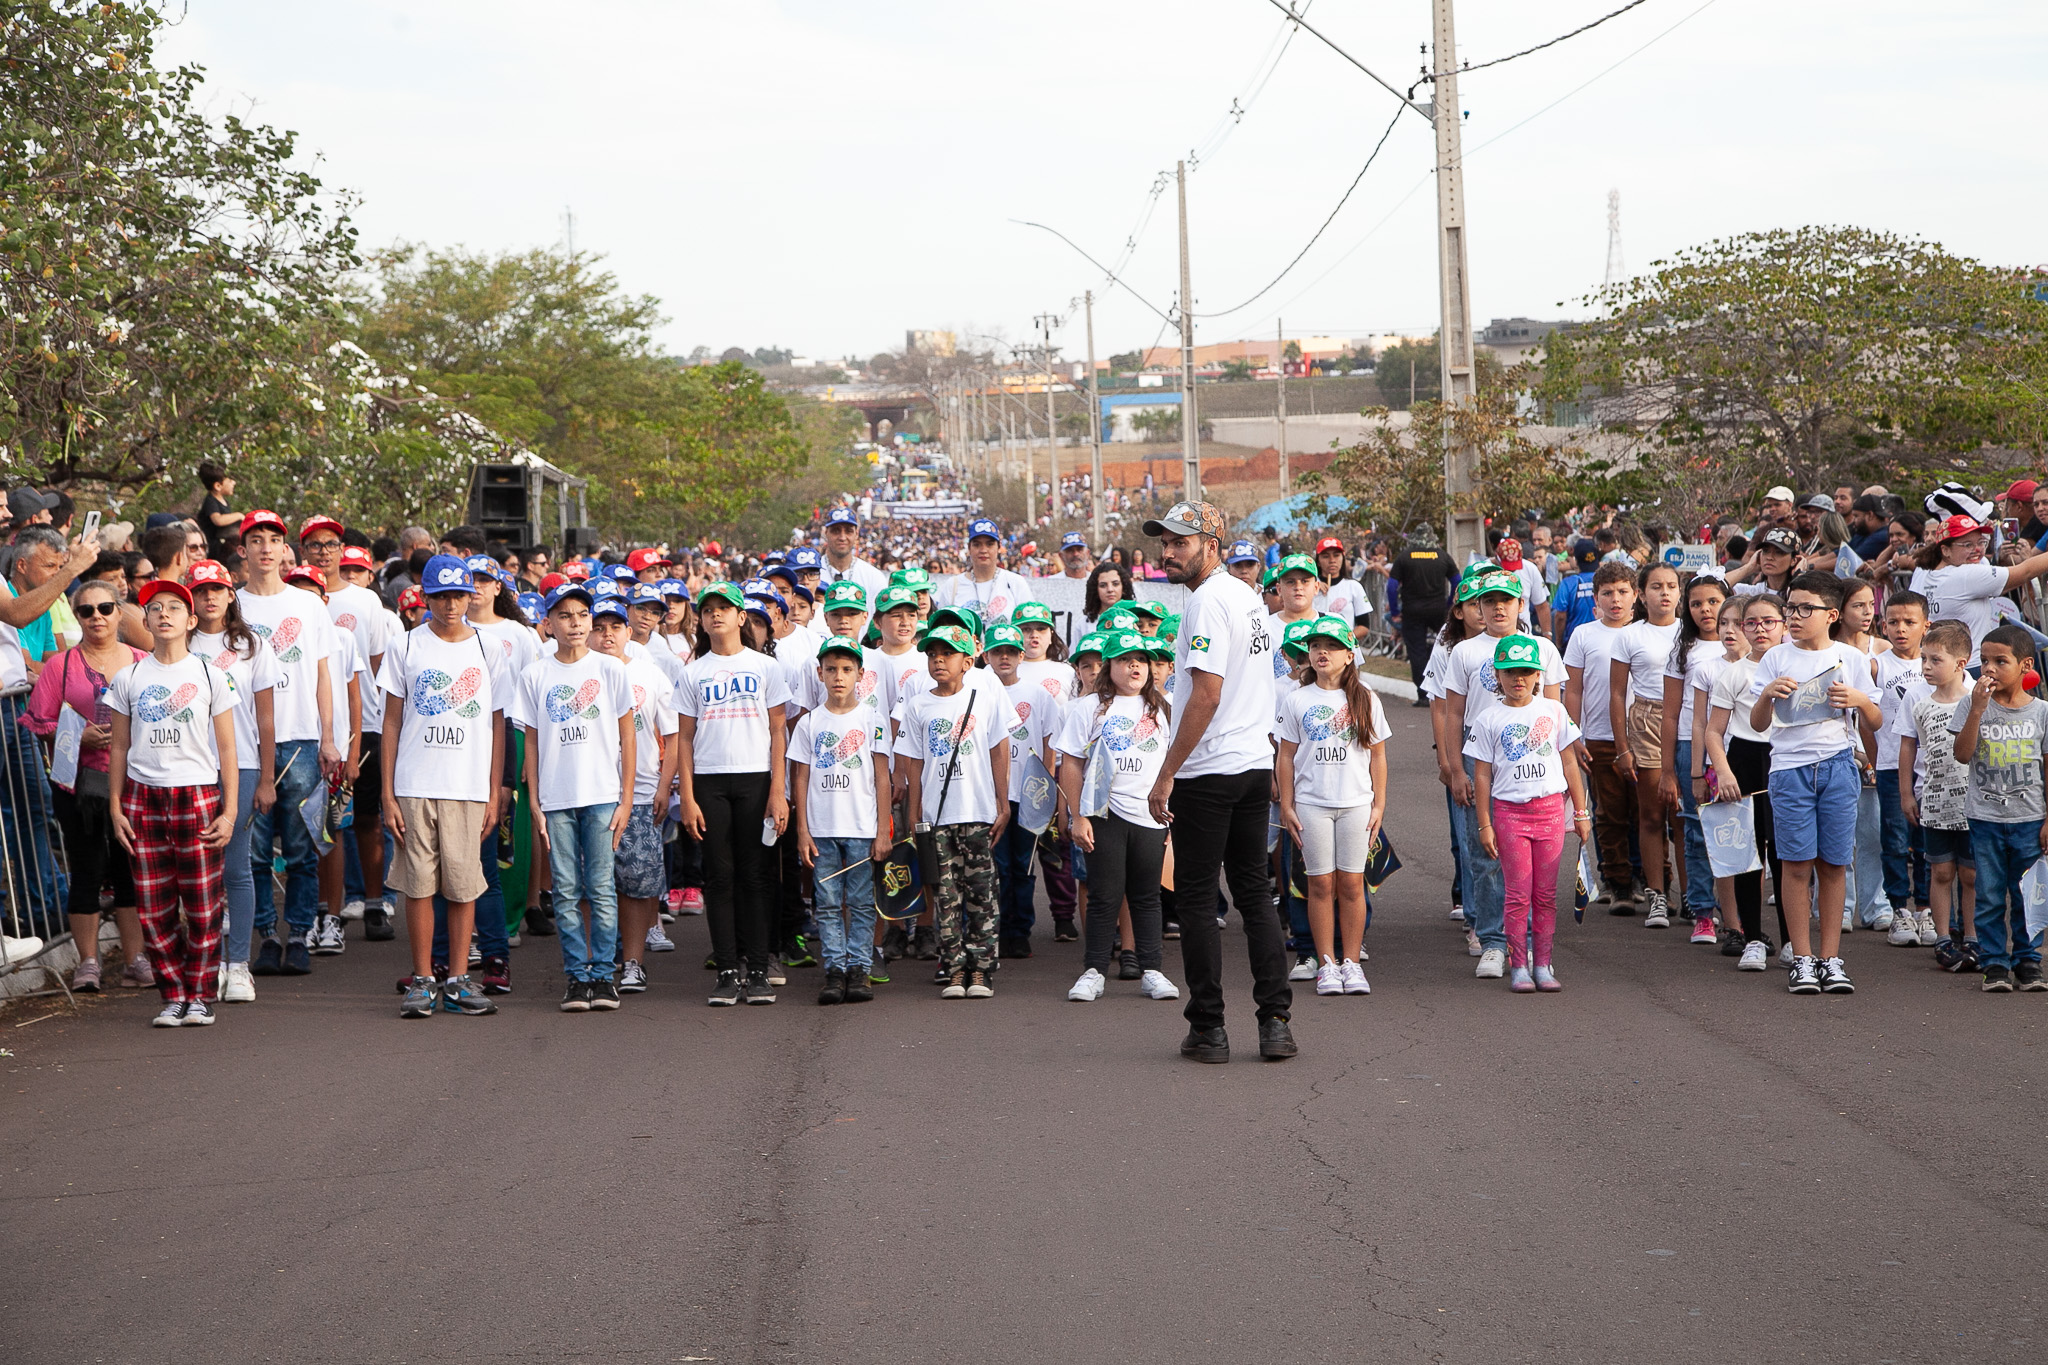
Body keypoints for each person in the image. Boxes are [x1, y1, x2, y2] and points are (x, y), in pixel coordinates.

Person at [1143, 499, 1294, 1063]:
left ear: (1212, 545)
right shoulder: (1247, 598)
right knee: (1255, 895)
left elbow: (1206, 694)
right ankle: (1275, 1021)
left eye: (1179, 542)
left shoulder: (1209, 602)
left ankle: (1209, 1027)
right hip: (1252, 766)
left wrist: (1166, 773)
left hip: (1211, 771)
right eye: (1164, 543)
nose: (1167, 552)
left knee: (1201, 898)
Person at [378, 554, 509, 1020]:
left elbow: (497, 726)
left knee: (463, 883)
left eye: (459, 595)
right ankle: (422, 979)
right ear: (425, 597)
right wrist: (388, 792)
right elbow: (391, 721)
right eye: (441, 596)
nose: (451, 605)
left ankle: (457, 979)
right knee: (417, 883)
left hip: (468, 785)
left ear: (471, 595)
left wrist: (495, 792)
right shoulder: (406, 646)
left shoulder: (489, 649)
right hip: (415, 782)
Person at [106, 579, 240, 1027]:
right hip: (144, 796)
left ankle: (200, 993)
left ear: (192, 620)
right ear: (144, 621)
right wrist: (115, 805)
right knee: (154, 904)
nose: (164, 615)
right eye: (155, 608)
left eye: (174, 608)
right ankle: (173, 994)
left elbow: (227, 750)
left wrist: (230, 809)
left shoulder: (209, 675)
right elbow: (119, 747)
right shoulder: (129, 676)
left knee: (202, 904)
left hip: (198, 793)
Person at [1745, 572, 1879, 995]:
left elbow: (1875, 719)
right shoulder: (1776, 658)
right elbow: (1758, 723)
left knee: (1835, 863)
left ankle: (1830, 958)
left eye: (1806, 609)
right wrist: (1767, 694)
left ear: (1831, 615)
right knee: (1796, 863)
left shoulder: (1850, 657)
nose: (1795, 617)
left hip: (1839, 765)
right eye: (1791, 608)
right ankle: (1801, 959)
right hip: (1788, 769)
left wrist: (1858, 700)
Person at [21, 579, 147, 992]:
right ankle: (88, 963)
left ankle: (135, 960)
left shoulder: (144, 661)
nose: (97, 617)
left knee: (130, 872)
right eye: (87, 610)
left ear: (119, 612)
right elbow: (39, 724)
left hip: (134, 782)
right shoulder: (61, 666)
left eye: (106, 608)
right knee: (87, 870)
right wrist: (76, 734)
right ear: (76, 617)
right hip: (78, 786)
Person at [516, 585, 636, 1012]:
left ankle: (604, 975)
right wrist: (533, 797)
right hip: (555, 797)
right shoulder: (535, 674)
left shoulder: (611, 670)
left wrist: (626, 798)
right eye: (565, 616)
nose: (576, 624)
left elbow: (627, 735)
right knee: (566, 890)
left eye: (582, 615)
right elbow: (531, 737)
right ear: (548, 623)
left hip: (603, 795)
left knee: (601, 888)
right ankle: (577, 976)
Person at [1444, 569, 1566, 978]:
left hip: (1531, 771)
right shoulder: (1463, 652)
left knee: (1532, 868)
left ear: (1521, 604)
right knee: (1484, 855)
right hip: (1483, 765)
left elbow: (1554, 714)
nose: (1499, 607)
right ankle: (1493, 940)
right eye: (1490, 600)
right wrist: (1453, 767)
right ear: (1476, 606)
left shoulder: (1544, 649)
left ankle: (1530, 944)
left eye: (1507, 600)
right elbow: (1453, 713)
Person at [235, 510, 341, 975]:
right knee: (254, 851)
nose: (264, 547)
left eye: (272, 539)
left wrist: (330, 738)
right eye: (254, 539)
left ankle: (299, 933)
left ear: (285, 550)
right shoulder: (230, 605)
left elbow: (322, 674)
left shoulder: (309, 605)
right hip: (245, 742)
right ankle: (266, 936)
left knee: (301, 847)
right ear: (242, 550)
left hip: (300, 739)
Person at [677, 582, 792, 1007]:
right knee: (719, 878)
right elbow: (684, 740)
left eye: (725, 608)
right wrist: (687, 797)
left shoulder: (766, 668)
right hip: (709, 782)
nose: (716, 615)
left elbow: (779, 731)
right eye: (708, 610)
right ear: (701, 621)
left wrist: (777, 791)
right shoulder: (692, 673)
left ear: (742, 617)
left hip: (756, 780)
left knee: (757, 877)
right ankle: (727, 970)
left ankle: (759, 969)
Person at [895, 622, 1015, 999]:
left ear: (967, 661)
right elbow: (912, 763)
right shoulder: (918, 704)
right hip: (936, 816)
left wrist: (1002, 802)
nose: (938, 660)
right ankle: (954, 968)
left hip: (977, 811)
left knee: (982, 893)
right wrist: (915, 816)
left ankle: (980, 969)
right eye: (932, 654)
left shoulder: (985, 698)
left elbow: (999, 750)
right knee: (945, 895)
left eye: (947, 654)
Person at [1058, 628, 1178, 1003]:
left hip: (1151, 816)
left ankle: (1152, 970)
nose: (1135, 667)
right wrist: (1078, 816)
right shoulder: (1087, 708)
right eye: (1126, 661)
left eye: (1141, 660)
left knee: (1147, 896)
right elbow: (1072, 764)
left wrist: (1176, 817)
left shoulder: (1165, 707)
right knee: (1104, 895)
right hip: (1104, 815)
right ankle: (1094, 971)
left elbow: (1178, 765)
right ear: (1110, 667)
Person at [1468, 633, 1593, 992]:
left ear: (1539, 674)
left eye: (1526, 671)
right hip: (1509, 814)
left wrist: (1581, 812)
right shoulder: (1488, 718)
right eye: (1510, 672)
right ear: (1497, 675)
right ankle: (1518, 963)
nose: (1518, 678)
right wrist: (1485, 824)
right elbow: (1482, 774)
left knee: (1546, 894)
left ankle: (1543, 962)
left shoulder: (1554, 711)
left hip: (1551, 812)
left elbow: (1570, 763)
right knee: (1518, 893)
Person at [1275, 615, 1391, 997]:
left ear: (1348, 655)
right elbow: (1286, 756)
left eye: (1332, 646)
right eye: (1315, 646)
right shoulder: (1297, 699)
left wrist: (1379, 804)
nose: (1322, 652)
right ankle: (1327, 963)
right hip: (1312, 805)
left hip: (1356, 804)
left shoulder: (1365, 698)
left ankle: (1352, 963)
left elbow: (1377, 757)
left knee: (1352, 884)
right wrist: (1288, 804)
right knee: (1320, 884)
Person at [188, 559, 278, 1003]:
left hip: (239, 766)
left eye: (217, 590)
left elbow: (264, 717)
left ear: (230, 595)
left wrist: (265, 777)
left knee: (236, 867)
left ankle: (238, 964)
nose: (209, 598)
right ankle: (205, 965)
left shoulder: (251, 645)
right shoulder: (175, 643)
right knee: (197, 870)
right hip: (188, 767)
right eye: (201, 590)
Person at [790, 636, 890, 1005]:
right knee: (828, 902)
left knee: (863, 902)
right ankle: (834, 969)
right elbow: (799, 777)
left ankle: (859, 969)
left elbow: (883, 777)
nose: (838, 676)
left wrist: (882, 830)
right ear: (819, 673)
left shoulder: (872, 719)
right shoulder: (809, 722)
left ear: (860, 675)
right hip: (823, 829)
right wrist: (802, 830)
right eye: (831, 669)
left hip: (862, 828)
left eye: (847, 669)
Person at [1948, 623, 2048, 992]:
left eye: (1999, 661)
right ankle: (1994, 963)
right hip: (1985, 817)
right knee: (1988, 894)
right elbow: (1962, 754)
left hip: (2029, 818)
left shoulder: (2041, 712)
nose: (1988, 668)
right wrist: (1976, 709)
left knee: (2028, 895)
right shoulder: (1972, 704)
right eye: (1984, 660)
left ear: (2025, 665)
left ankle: (2028, 961)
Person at [593, 589, 679, 985]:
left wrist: (664, 786)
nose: (606, 635)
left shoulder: (650, 674)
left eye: (614, 627)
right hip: (591, 793)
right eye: (599, 628)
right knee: (591, 883)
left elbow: (674, 735)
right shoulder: (579, 673)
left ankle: (632, 962)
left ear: (629, 631)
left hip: (642, 794)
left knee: (638, 883)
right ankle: (598, 959)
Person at [1705, 593, 1788, 969]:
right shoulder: (1734, 673)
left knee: (1786, 853)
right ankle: (1752, 937)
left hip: (1787, 758)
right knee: (1747, 853)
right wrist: (1722, 771)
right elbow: (1713, 731)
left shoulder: (1796, 666)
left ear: (1783, 624)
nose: (1760, 629)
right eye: (1751, 623)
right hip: (1743, 758)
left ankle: (1791, 940)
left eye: (1768, 621)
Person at [1894, 620, 1977, 969]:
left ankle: (1972, 936)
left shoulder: (1977, 702)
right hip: (1935, 801)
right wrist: (1905, 794)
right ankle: (1943, 937)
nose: (1926, 667)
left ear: (1960, 663)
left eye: (1934, 660)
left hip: (1974, 804)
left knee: (1972, 874)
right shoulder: (1919, 702)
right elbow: (1907, 748)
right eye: (1923, 660)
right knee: (1940, 871)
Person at [1608, 563, 1683, 928]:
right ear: (1642, 594)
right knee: (1652, 815)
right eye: (1656, 586)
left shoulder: (1692, 632)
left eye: (1671, 586)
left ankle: (1694, 896)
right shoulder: (1629, 636)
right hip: (1647, 720)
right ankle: (1656, 893)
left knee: (1684, 817)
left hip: (1686, 720)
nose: (1664, 593)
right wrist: (1622, 748)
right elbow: (1617, 693)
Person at [1657, 573, 1730, 942]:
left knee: (1738, 830)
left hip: (1738, 747)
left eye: (1713, 601)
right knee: (1697, 831)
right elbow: (1670, 715)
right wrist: (1669, 769)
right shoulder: (1683, 650)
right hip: (1692, 747)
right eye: (1697, 603)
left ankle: (1735, 913)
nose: (1705, 609)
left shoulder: (1747, 646)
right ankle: (1702, 910)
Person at [1563, 562, 1639, 911]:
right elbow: (1574, 690)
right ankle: (1616, 881)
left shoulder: (1645, 632)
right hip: (1598, 736)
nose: (1615, 599)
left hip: (1644, 737)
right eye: (1607, 593)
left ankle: (1648, 881)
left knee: (1645, 813)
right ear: (1596, 598)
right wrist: (1573, 734)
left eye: (1623, 591)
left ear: (1635, 595)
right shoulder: (1584, 635)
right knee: (1608, 813)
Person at [1911, 514, 2048, 664]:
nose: (1977, 550)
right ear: (1945, 550)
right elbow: (2025, 572)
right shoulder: (1965, 575)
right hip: (1970, 667)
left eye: (1981, 542)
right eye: (1967, 545)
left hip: (1941, 666)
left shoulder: (1925, 572)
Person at [1873, 591, 1931, 943]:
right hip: (1891, 766)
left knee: (1927, 841)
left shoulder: (1937, 664)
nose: (1901, 629)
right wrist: (1872, 755)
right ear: (1883, 625)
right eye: (1893, 622)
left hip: (1932, 770)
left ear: (1926, 625)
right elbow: (1865, 716)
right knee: (1894, 839)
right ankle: (1899, 910)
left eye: (1910, 622)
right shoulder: (1878, 666)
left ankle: (1927, 910)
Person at [1387, 524, 1452, 697]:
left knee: (1417, 651)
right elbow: (1458, 581)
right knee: (1447, 647)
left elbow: (1392, 586)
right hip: (1438, 610)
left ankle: (1423, 693)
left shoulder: (1404, 557)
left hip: (1412, 611)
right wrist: (1451, 604)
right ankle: (1447, 689)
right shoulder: (1442, 556)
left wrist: (1394, 611)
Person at [944, 517, 1031, 623]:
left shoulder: (1015, 582)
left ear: (998, 547)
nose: (983, 550)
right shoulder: (953, 585)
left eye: (989, 544)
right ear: (969, 548)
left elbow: (1029, 624)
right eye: (977, 544)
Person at [818, 507, 889, 600]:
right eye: (836, 531)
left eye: (848, 531)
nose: (842, 537)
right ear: (826, 533)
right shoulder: (811, 575)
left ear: (856, 534)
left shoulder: (873, 577)